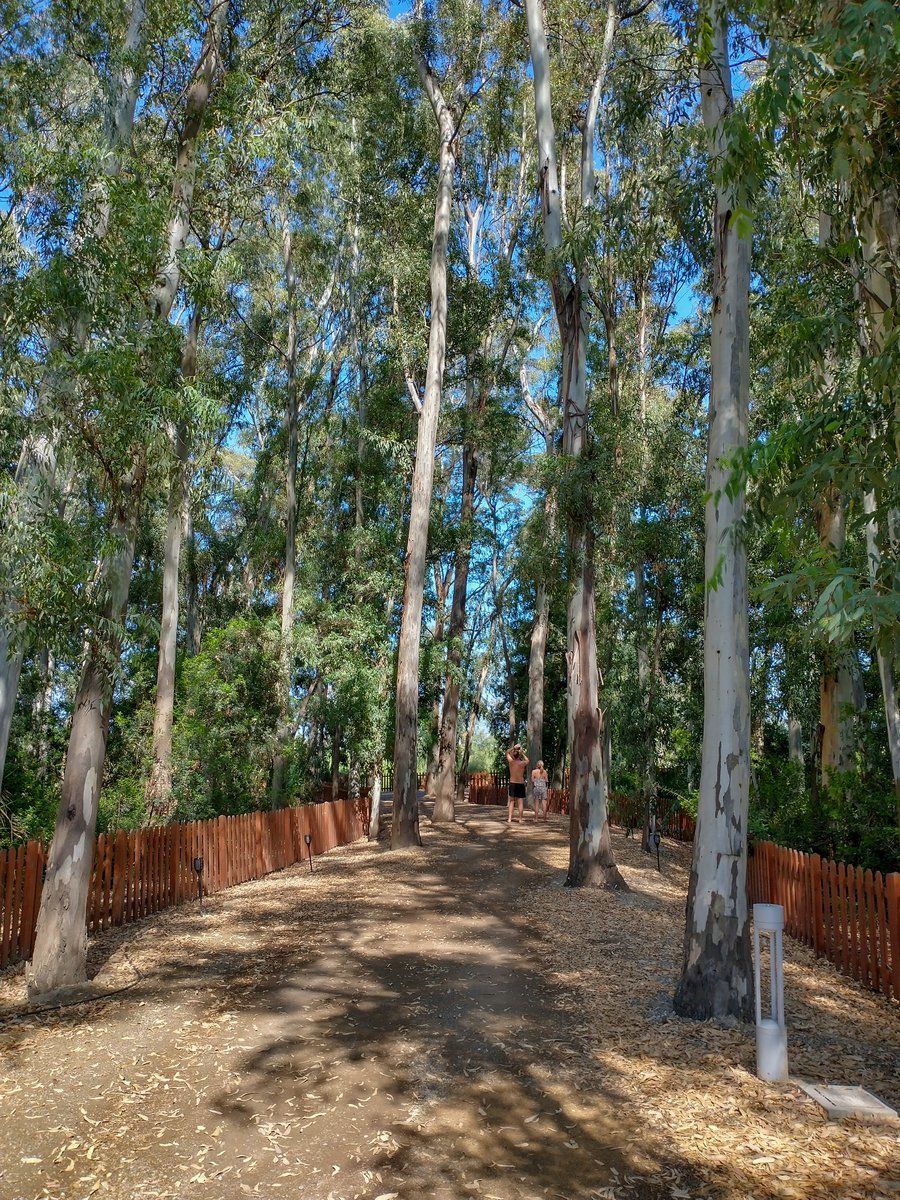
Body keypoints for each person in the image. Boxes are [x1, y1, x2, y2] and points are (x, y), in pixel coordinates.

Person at [506, 743, 528, 824]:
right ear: (519, 756)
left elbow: (507, 752)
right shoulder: (522, 763)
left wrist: (513, 747)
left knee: (511, 801)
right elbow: (527, 760)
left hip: (512, 783)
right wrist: (523, 753)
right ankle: (520, 819)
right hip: (520, 783)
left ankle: (509, 819)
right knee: (520, 802)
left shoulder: (511, 762)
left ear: (513, 755)